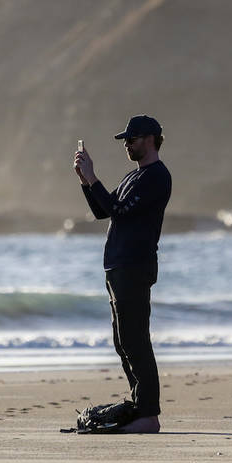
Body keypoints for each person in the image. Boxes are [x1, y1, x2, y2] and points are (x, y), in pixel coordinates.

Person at [73, 114, 172, 433]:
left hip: (134, 265)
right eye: (125, 140)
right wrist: (85, 180)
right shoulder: (134, 176)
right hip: (117, 267)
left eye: (132, 138)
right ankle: (140, 405)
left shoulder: (156, 177)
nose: (126, 144)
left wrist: (93, 176)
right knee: (122, 340)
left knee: (135, 340)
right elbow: (104, 210)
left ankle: (148, 414)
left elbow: (119, 211)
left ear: (150, 139)